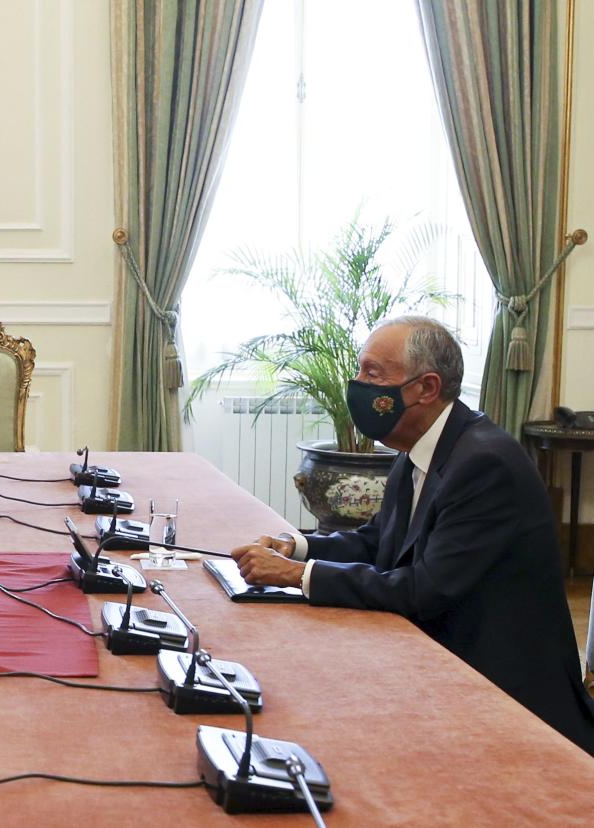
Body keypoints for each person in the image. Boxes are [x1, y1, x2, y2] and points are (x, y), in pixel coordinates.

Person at [230, 316, 594, 755]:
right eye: (360, 370)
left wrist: (297, 575)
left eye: (373, 373)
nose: (359, 385)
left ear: (427, 387)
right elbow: (378, 542)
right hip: (443, 664)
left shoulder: (484, 464)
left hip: (504, 696)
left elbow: (425, 588)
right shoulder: (419, 447)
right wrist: (297, 546)